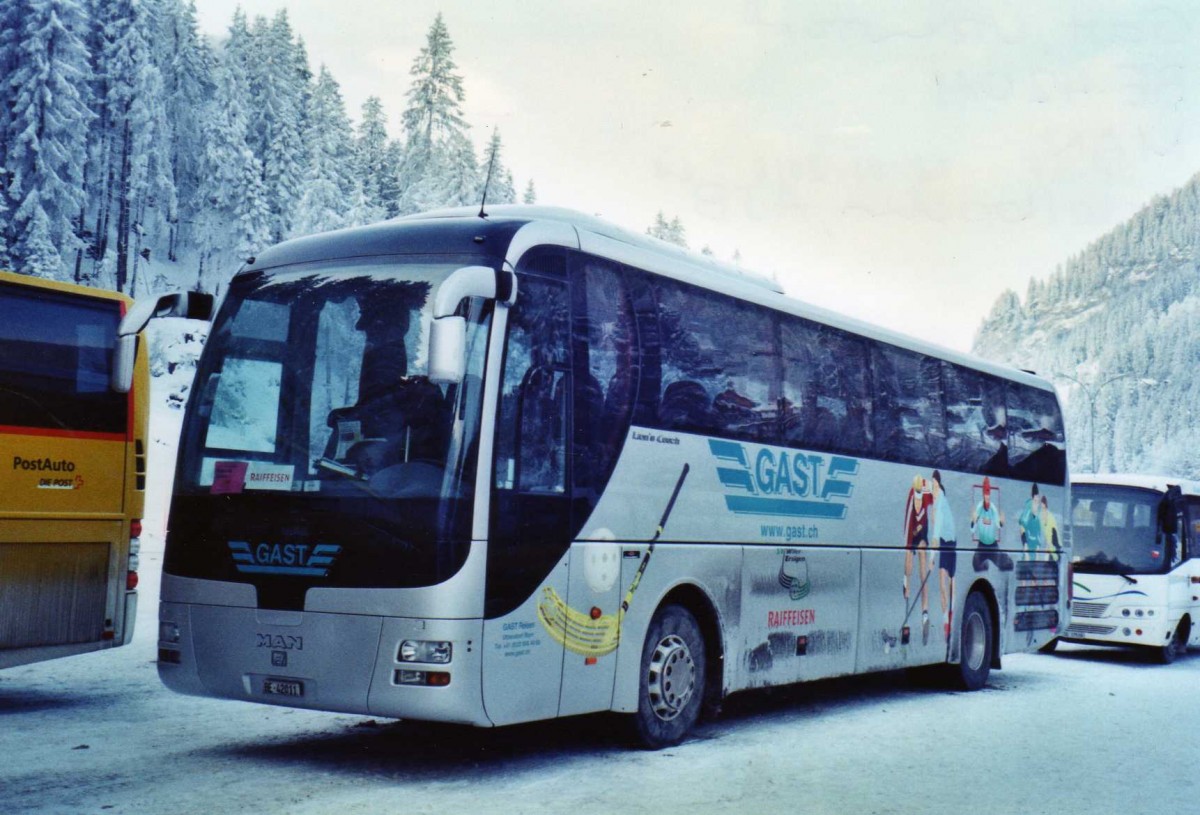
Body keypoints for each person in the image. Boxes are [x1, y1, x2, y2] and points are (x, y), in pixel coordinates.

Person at [903, 474, 933, 637]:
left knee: (923, 573)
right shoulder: (911, 500)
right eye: (917, 495)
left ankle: (925, 611)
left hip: (923, 534)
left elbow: (937, 499)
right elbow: (908, 529)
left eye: (920, 495)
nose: (918, 500)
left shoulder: (927, 493)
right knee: (909, 566)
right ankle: (906, 585)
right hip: (913, 533)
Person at [929, 470, 957, 641]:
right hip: (944, 542)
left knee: (950, 580)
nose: (933, 489)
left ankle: (952, 612)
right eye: (932, 486)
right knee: (942, 581)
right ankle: (945, 618)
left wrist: (931, 558)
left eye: (936, 486)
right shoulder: (937, 505)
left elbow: (935, 535)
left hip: (950, 543)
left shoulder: (941, 505)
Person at [971, 476, 1012, 572]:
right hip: (982, 545)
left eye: (988, 496)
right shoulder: (979, 508)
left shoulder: (993, 508)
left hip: (992, 545)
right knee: (976, 566)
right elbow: (973, 529)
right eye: (986, 496)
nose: (987, 498)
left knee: (1007, 565)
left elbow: (998, 525)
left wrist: (1001, 522)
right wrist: (973, 521)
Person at [1018, 483, 1044, 560]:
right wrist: (1026, 549)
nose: (1036, 505)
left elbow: (1038, 535)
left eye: (1037, 502)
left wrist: (1037, 553)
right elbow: (1022, 528)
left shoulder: (1038, 515)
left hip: (1034, 551)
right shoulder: (1027, 510)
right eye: (1035, 502)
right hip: (1027, 549)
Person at [1040, 495, 1061, 561]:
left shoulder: (1051, 517)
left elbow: (1051, 534)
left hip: (1052, 546)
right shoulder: (1039, 515)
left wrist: (1048, 546)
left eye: (1042, 504)